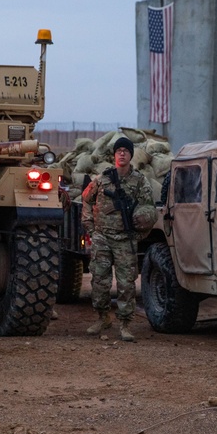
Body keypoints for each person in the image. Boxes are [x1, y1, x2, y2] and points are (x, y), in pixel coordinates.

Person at [81, 136, 154, 342]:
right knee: (99, 281)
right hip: (102, 237)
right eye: (119, 150)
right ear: (114, 154)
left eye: (126, 150)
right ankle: (102, 318)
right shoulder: (102, 179)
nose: (122, 153)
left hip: (125, 240)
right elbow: (86, 200)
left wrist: (139, 233)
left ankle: (125, 324)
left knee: (126, 284)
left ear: (131, 155)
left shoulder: (140, 181)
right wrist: (91, 227)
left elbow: (148, 208)